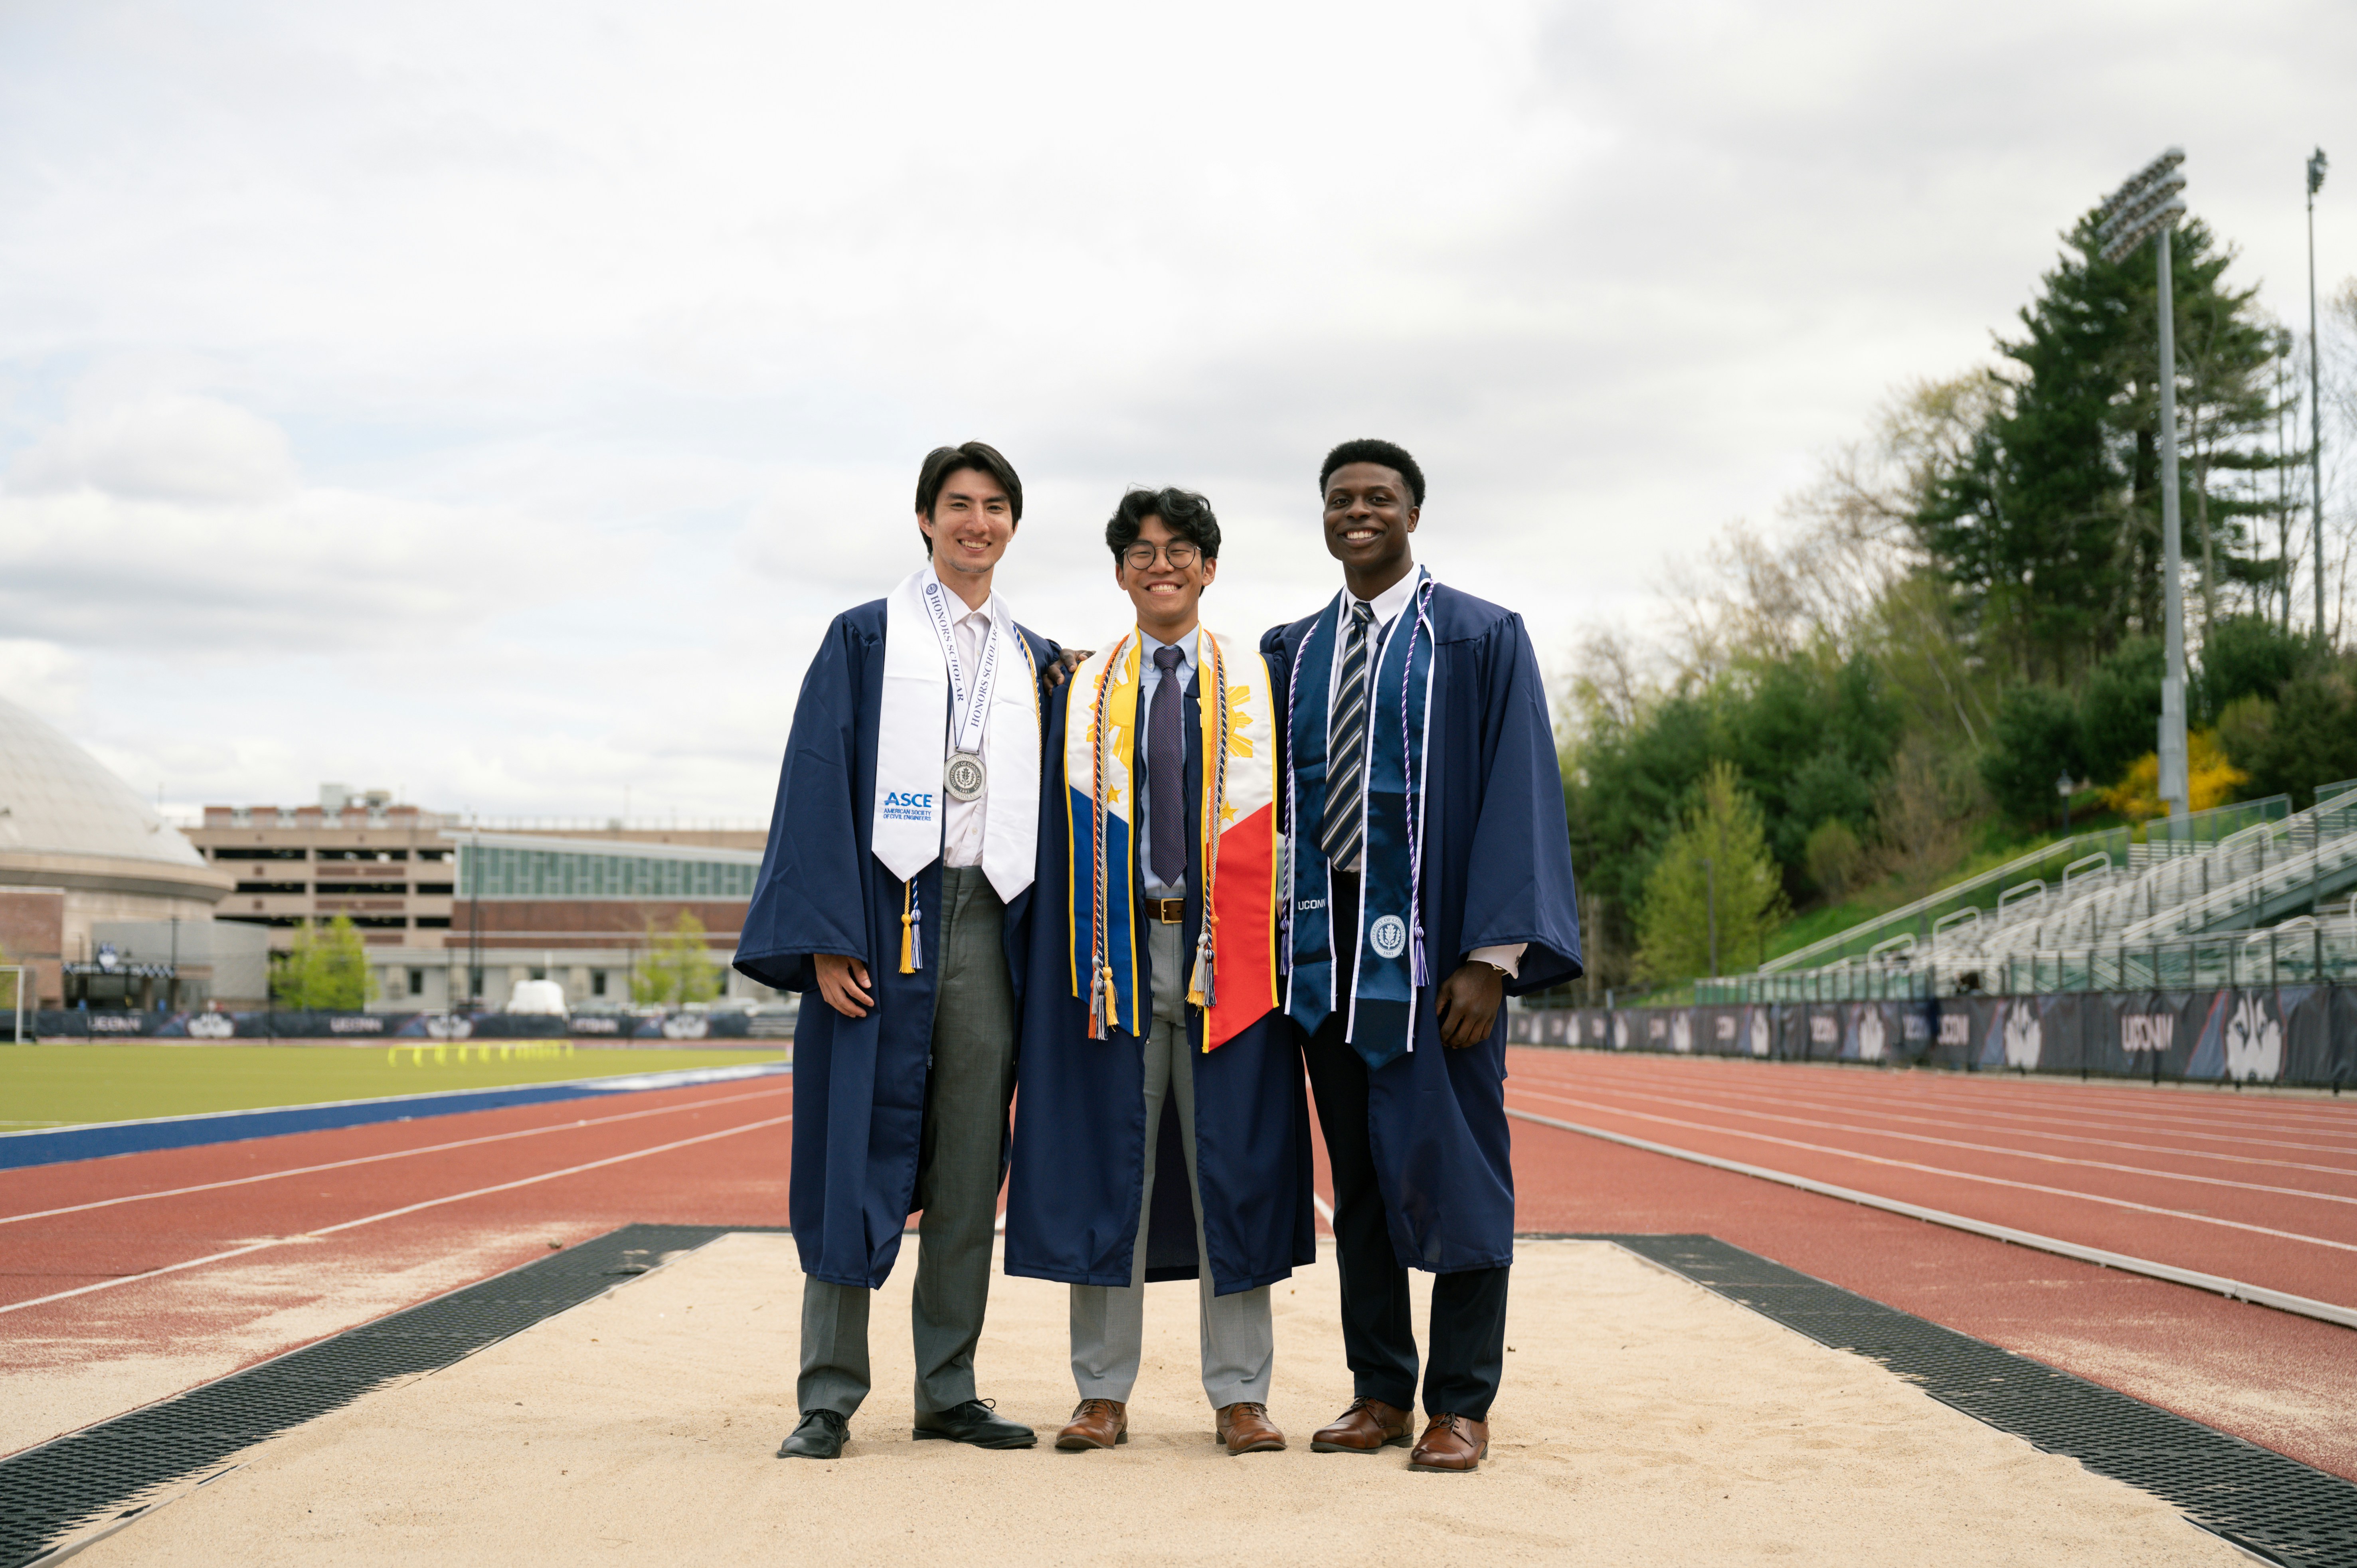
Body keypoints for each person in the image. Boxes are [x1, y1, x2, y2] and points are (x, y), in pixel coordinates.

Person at [735, 441, 1062, 1461]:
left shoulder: (1037, 658)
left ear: (1013, 525)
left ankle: (947, 1388)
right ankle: (827, 1395)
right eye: (958, 505)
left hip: (990, 919)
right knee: (849, 1150)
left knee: (971, 1161)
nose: (977, 523)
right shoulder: (865, 639)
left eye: (996, 507)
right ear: (924, 519)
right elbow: (815, 783)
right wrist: (827, 940)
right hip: (883, 914)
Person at [1261, 438, 1581, 1474]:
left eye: (1379, 498)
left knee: (1457, 1168)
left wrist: (1492, 955)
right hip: (1323, 947)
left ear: (1412, 513)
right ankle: (1380, 1390)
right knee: (1355, 1178)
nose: (1359, 512)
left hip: (1440, 944)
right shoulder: (1290, 651)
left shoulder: (1480, 638)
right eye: (1341, 499)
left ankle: (1460, 1402)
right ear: (1324, 517)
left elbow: (1519, 793)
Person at [1005, 487, 1313, 1457]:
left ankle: (1240, 1395)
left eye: (1180, 549)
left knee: (1238, 1164)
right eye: (1140, 551)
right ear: (1119, 572)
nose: (1160, 564)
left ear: (1209, 568)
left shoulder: (1259, 681)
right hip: (1113, 953)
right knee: (1110, 1165)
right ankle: (1101, 1392)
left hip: (1232, 956)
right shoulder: (1080, 687)